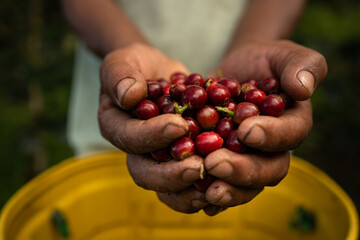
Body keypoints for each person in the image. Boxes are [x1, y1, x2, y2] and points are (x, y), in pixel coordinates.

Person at [61, 0, 327, 216]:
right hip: (120, 96)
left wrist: (256, 41)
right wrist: (124, 46)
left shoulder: (226, 108)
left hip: (248, 91)